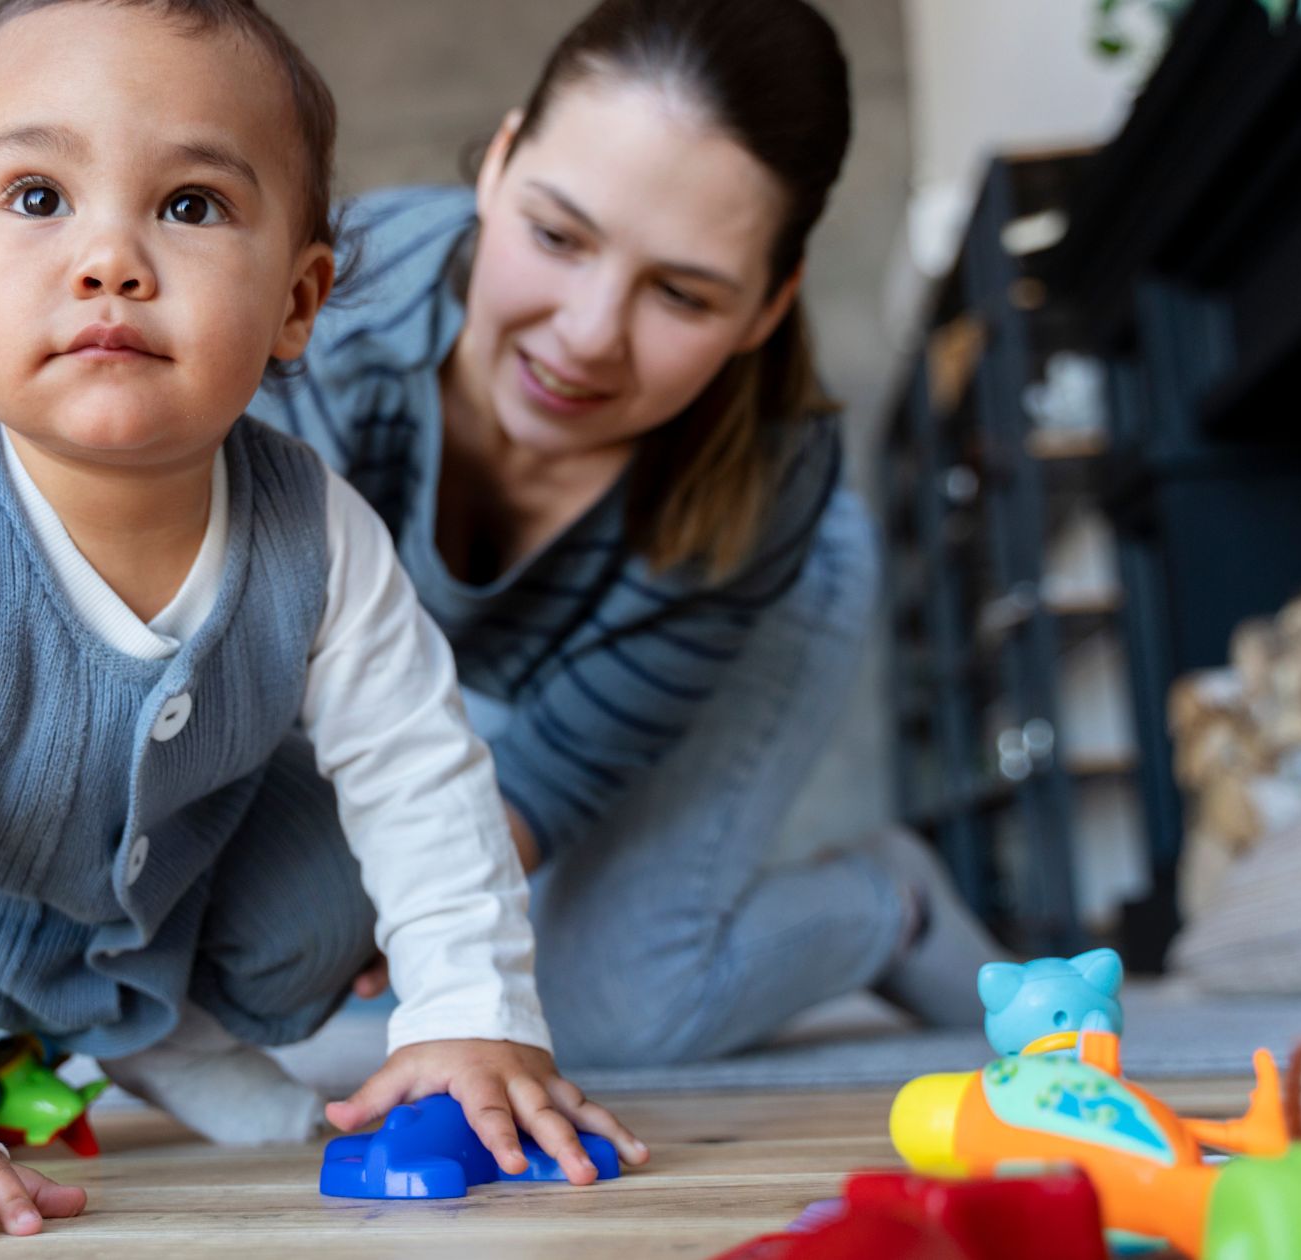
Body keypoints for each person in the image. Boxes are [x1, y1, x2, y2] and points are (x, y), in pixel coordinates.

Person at [0, 0, 643, 1247]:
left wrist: (471, 1011)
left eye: (188, 205)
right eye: (35, 198)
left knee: (342, 888)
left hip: (163, 891)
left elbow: (418, 771)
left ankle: (129, 1025)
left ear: (298, 302)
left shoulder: (316, 525)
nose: (109, 259)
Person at [247, 0, 1001, 1073]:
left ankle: (893, 904)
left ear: (765, 307)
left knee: (612, 1014)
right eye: (556, 236)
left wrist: (408, 896)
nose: (587, 338)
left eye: (683, 294)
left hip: (759, 575)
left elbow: (542, 783)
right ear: (500, 162)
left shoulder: (764, 482)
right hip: (509, 616)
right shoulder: (325, 329)